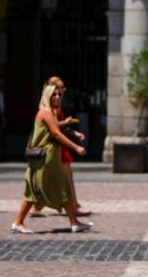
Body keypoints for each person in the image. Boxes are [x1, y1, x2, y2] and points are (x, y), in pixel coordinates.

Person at [10, 83, 89, 234]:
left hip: (51, 159)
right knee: (35, 191)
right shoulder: (45, 112)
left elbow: (58, 128)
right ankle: (18, 222)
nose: (58, 97)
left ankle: (74, 222)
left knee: (63, 186)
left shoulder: (50, 112)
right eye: (54, 94)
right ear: (47, 95)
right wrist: (76, 147)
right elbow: (56, 133)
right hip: (44, 160)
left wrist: (69, 128)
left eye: (59, 94)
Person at [31, 76, 92, 218]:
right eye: (61, 87)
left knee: (47, 178)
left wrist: (73, 131)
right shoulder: (51, 106)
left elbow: (57, 125)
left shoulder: (50, 103)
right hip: (55, 146)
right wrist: (75, 144)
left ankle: (36, 207)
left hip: (54, 145)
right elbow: (55, 128)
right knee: (66, 177)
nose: (63, 91)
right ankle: (74, 207)